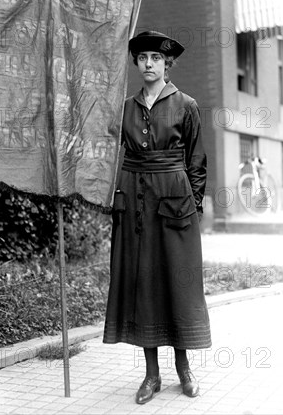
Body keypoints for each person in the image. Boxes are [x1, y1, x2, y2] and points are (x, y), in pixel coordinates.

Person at [103, 31, 211, 404]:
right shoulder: (126, 108)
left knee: (177, 284)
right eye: (142, 57)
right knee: (143, 284)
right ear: (135, 63)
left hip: (175, 202)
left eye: (155, 58)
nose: (148, 64)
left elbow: (197, 161)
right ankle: (152, 374)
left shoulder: (186, 105)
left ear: (167, 64)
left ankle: (184, 370)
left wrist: (193, 204)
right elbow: (104, 150)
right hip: (134, 201)